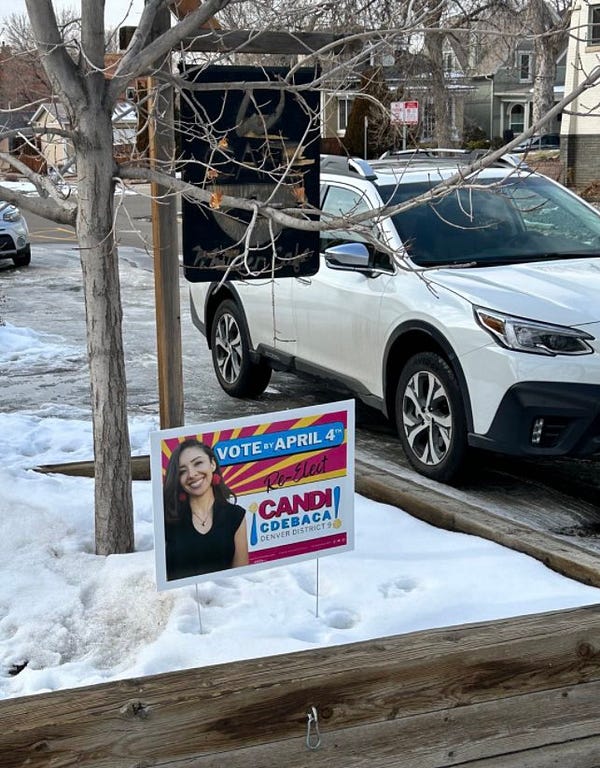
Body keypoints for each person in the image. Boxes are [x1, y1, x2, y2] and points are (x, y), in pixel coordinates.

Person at [163, 438, 249, 580]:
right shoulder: (166, 519)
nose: (191, 474)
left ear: (213, 464)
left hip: (224, 599)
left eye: (198, 463)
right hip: (183, 600)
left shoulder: (236, 516)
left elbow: (241, 578)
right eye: (182, 471)